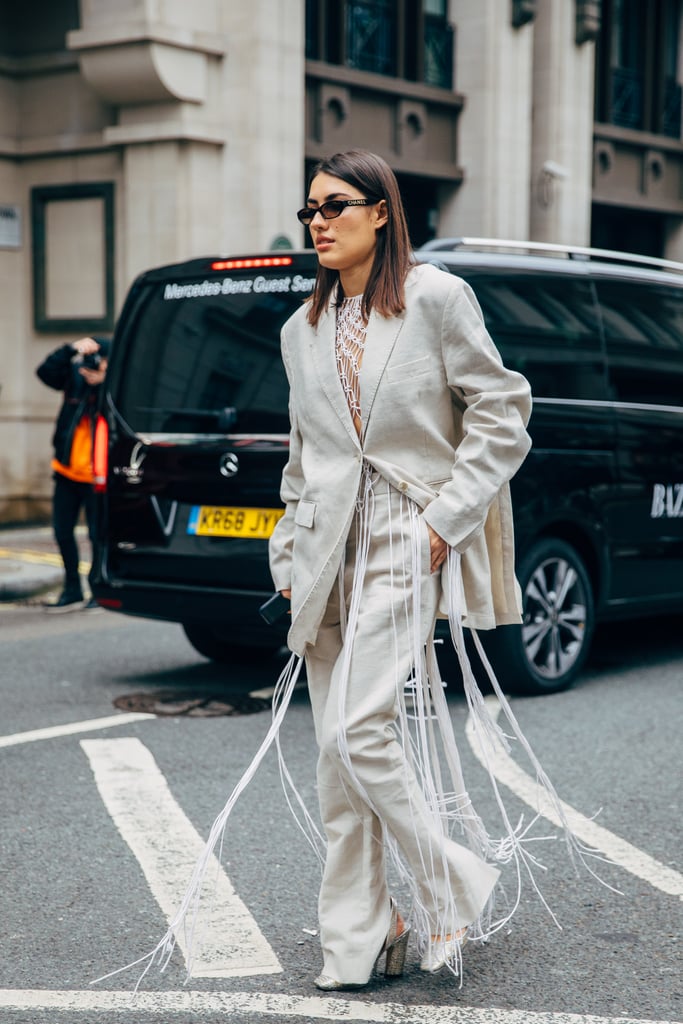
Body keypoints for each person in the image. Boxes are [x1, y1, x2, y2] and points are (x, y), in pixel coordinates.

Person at [115, 151, 605, 995]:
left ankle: (450, 887)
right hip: (323, 547)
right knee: (334, 766)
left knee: (356, 728)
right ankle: (362, 936)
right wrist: (286, 553)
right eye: (309, 209)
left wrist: (441, 524)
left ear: (382, 212)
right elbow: (305, 458)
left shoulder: (437, 298)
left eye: (334, 206)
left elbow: (503, 411)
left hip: (403, 539)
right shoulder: (298, 329)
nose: (317, 223)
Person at [36, 336, 110, 611]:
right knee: (62, 532)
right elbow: (45, 373)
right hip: (67, 472)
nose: (94, 364)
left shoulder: (113, 388)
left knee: (97, 535)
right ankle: (72, 588)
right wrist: (70, 350)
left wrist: (104, 383)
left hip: (97, 477)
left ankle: (97, 589)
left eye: (100, 360)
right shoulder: (74, 379)